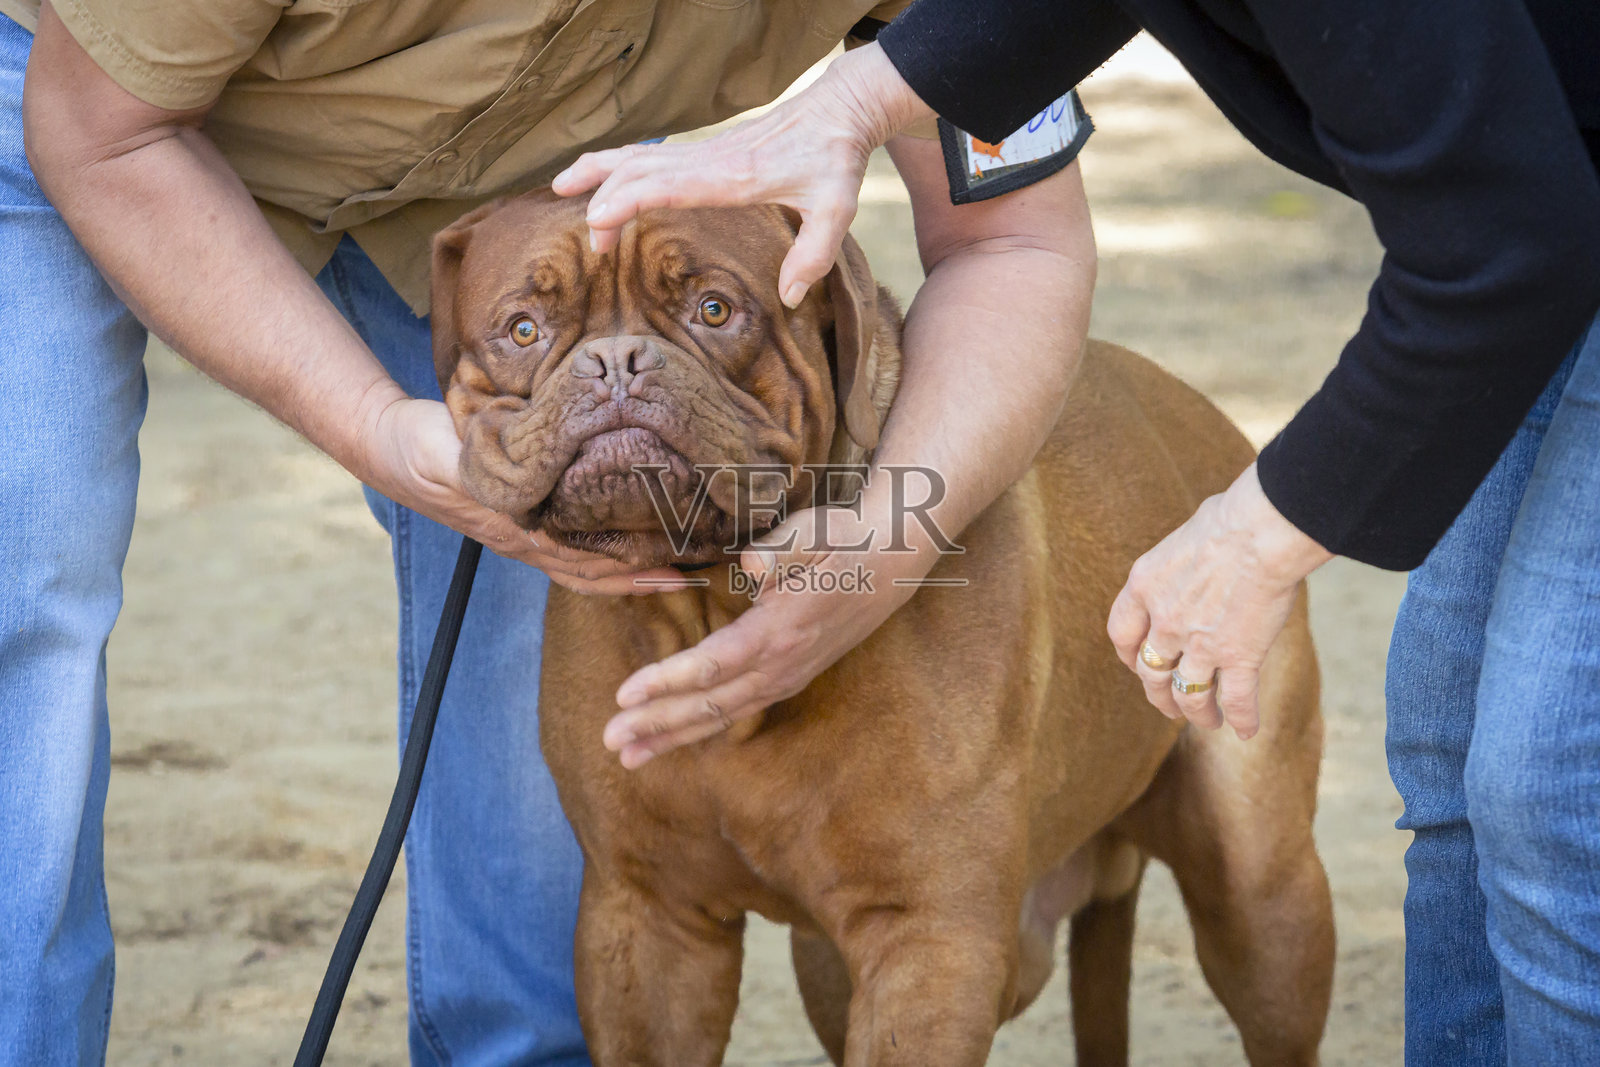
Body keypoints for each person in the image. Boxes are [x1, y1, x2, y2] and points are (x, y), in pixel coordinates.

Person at [0, 0, 1100, 1062]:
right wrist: (382, 427)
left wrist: (887, 540)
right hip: (104, 114)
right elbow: (103, 132)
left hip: (545, 160)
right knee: (22, 581)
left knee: (551, 658)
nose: (624, 372)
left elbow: (1011, 242)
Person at [556, 2, 1600, 1062]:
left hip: (1526, 231)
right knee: (1453, 750)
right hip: (1542, 201)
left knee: (1548, 782)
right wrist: (858, 99)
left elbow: (1504, 244)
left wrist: (1253, 536)